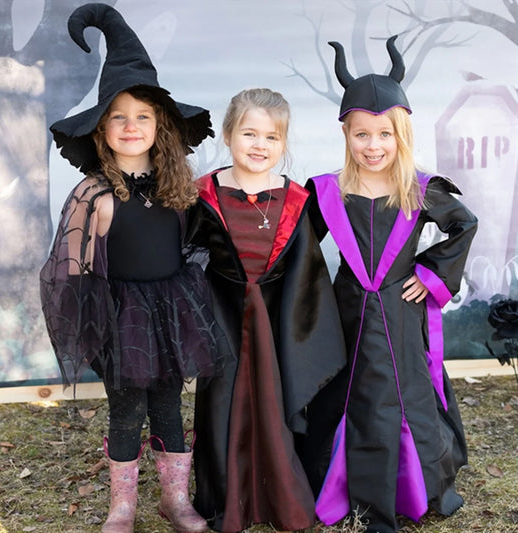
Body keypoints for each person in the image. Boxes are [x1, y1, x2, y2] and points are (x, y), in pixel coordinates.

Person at [39, 4, 222, 533]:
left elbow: (196, 247)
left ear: (160, 124)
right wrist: (93, 329)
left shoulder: (178, 186)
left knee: (167, 406)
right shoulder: (93, 192)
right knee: (126, 410)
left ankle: (175, 500)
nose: (131, 126)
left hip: (171, 312)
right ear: (101, 127)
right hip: (120, 319)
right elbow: (71, 269)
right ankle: (122, 507)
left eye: (143, 115)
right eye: (118, 116)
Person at [305, 36, 478, 533]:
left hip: (400, 313)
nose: (373, 145)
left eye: (384, 134)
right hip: (346, 311)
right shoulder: (329, 191)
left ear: (401, 133)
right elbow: (299, 247)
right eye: (362, 134)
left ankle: (410, 484)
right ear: (346, 134)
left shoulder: (418, 189)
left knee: (398, 391)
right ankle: (338, 480)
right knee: (346, 389)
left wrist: (430, 273)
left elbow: (463, 225)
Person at [189, 88, 346, 532]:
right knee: (221, 402)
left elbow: (307, 269)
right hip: (221, 316)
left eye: (272, 137)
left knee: (276, 402)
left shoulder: (296, 200)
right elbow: (186, 254)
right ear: (227, 135)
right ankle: (225, 497)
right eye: (249, 134)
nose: (260, 145)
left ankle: (279, 494)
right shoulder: (204, 195)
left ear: (283, 143)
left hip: (279, 319)